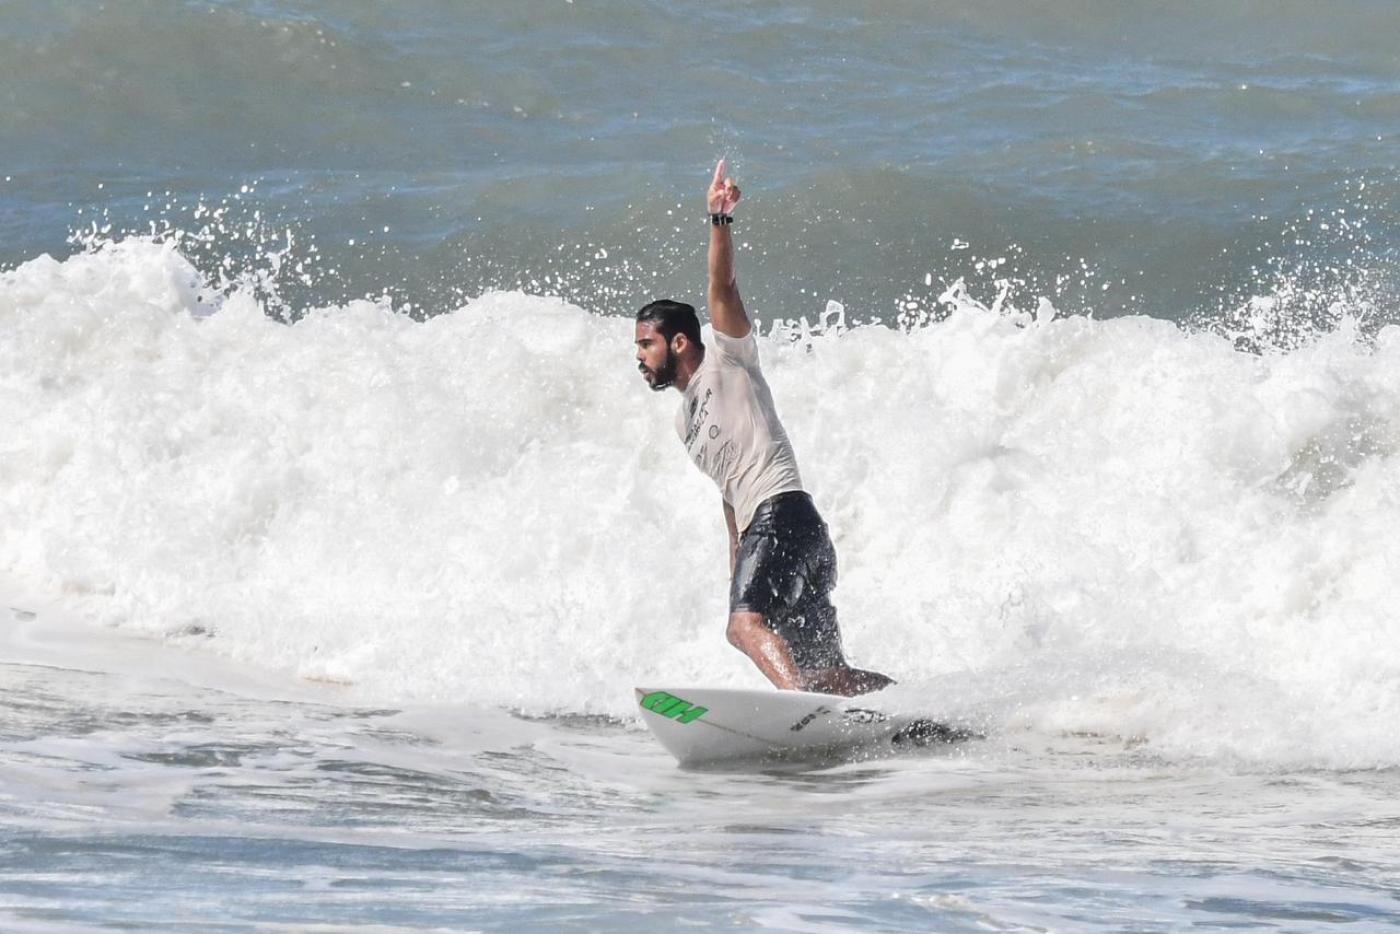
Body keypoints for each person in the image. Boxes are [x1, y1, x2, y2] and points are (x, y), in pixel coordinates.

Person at [634, 160, 893, 697]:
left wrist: (718, 220)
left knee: (743, 628)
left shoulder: (728, 359)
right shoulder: (684, 422)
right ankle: (910, 705)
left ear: (679, 341)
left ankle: (798, 711)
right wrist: (736, 566)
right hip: (787, 531)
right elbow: (729, 496)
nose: (639, 357)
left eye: (645, 344)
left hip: (784, 517)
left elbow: (722, 285)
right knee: (829, 676)